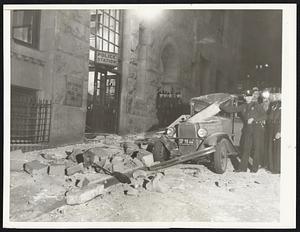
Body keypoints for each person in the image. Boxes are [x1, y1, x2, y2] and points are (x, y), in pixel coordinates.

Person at [219, 88, 267, 172]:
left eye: (250, 96)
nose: (248, 98)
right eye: (246, 97)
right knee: (245, 148)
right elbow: (232, 109)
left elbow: (265, 116)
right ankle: (242, 168)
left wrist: (254, 119)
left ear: (252, 97)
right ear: (244, 97)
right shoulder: (243, 106)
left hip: (257, 130)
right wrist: (220, 105)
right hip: (247, 130)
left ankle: (254, 169)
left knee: (256, 149)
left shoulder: (257, 106)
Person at [266, 92, 281, 174]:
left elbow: (284, 119)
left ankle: (277, 169)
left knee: (277, 149)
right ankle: (271, 167)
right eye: (274, 95)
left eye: (277, 95)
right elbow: (268, 116)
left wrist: (280, 131)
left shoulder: (283, 106)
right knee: (270, 148)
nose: (274, 96)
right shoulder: (272, 106)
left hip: (277, 129)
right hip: (271, 129)